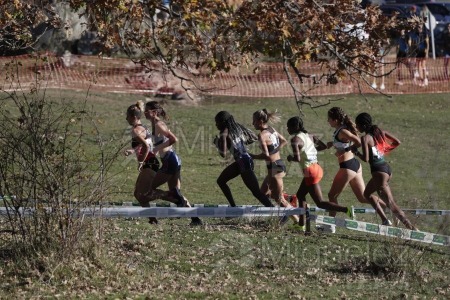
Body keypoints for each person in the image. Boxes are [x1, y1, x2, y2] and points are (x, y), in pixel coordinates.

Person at [286, 116, 353, 232]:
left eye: (288, 127)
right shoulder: (310, 136)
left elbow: (296, 158)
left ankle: (346, 209)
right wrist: (310, 151)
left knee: (320, 203)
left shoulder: (295, 140)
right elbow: (322, 146)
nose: (287, 129)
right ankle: (301, 224)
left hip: (310, 172)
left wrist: (290, 157)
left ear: (295, 127)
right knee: (300, 195)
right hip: (317, 168)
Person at [325, 107, 386, 231]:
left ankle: (330, 225)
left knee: (332, 195)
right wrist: (334, 144)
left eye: (329, 119)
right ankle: (388, 208)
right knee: (363, 198)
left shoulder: (343, 131)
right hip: (354, 166)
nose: (328, 121)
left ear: (336, 120)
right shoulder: (339, 131)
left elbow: (358, 141)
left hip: (347, 167)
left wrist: (345, 150)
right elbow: (345, 143)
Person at [354, 113, 418, 230]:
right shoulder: (380, 132)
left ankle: (411, 227)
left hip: (378, 172)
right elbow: (397, 142)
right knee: (367, 194)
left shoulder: (365, 138)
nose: (357, 128)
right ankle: (384, 220)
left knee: (391, 203)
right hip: (386, 169)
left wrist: (356, 152)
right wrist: (384, 150)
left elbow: (366, 159)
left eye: (357, 125)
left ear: (363, 125)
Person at [144, 100, 203, 226]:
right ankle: (195, 219)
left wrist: (156, 149)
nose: (144, 113)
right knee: (176, 193)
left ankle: (175, 202)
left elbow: (173, 139)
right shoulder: (155, 124)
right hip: (171, 160)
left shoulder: (159, 124)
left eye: (147, 110)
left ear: (154, 112)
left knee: (151, 188)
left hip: (170, 160)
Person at [214, 111, 274, 209]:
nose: (216, 125)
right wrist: (241, 143)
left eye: (217, 122)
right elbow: (254, 137)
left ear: (223, 122)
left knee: (256, 192)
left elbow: (223, 154)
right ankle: (233, 208)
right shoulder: (237, 127)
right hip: (244, 160)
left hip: (243, 163)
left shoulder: (223, 133)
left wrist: (217, 143)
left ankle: (274, 211)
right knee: (221, 181)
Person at [250, 109, 299, 225]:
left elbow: (266, 155)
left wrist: (253, 156)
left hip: (275, 168)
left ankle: (298, 222)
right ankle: (289, 199)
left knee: (279, 199)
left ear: (261, 121)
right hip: (277, 165)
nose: (253, 124)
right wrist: (275, 152)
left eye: (254, 121)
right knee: (262, 193)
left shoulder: (261, 135)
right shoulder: (272, 130)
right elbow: (283, 141)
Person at [125, 100, 162, 224]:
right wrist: (133, 150)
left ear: (134, 117)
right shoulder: (143, 127)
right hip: (151, 162)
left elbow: (146, 145)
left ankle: (171, 196)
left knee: (143, 194)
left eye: (127, 116)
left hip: (149, 163)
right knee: (137, 194)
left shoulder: (135, 130)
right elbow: (148, 143)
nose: (126, 119)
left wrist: (140, 161)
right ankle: (152, 219)